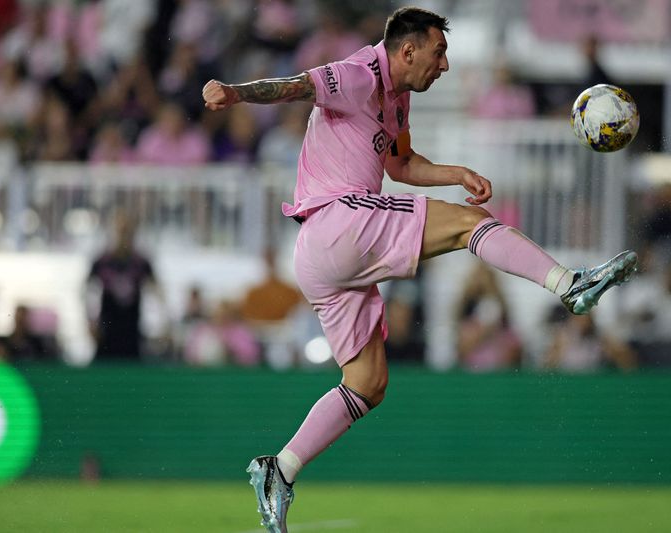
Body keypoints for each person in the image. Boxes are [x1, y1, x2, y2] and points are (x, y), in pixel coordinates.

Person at [202, 7, 638, 532]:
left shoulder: (396, 98)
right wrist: (235, 92)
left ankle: (281, 469)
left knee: (367, 383)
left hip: (324, 257)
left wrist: (455, 172)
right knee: (469, 226)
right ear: (407, 51)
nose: (446, 65)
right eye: (439, 52)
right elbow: (295, 86)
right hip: (339, 222)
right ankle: (572, 285)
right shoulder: (359, 74)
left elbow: (401, 165)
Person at [86, 210, 166, 361]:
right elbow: (87, 291)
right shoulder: (103, 261)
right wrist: (89, 322)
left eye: (127, 230)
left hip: (132, 331)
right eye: (120, 230)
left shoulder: (141, 263)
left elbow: (158, 293)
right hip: (106, 331)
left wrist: (162, 325)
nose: (124, 235)